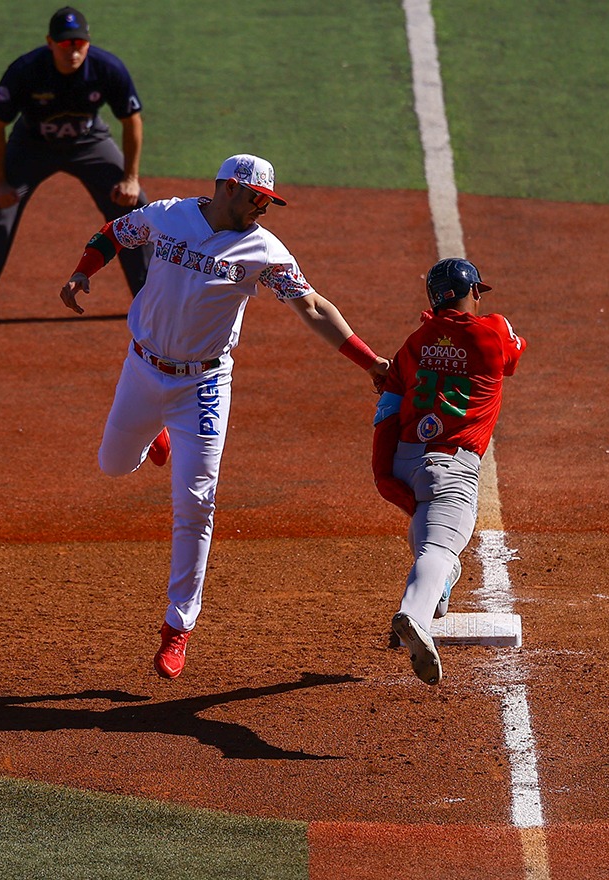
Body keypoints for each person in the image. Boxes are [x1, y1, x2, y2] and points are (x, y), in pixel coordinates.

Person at [60, 153, 389, 679]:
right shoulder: (168, 215)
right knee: (114, 465)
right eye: (259, 197)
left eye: (269, 201)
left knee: (196, 504)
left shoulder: (264, 249)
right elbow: (116, 232)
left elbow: (312, 306)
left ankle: (177, 627)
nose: (265, 208)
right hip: (143, 370)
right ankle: (156, 440)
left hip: (204, 385)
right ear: (228, 188)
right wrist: (81, 273)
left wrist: (369, 361)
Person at [371, 258, 526, 685]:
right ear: (472, 291)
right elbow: (512, 356)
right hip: (450, 465)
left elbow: (387, 408)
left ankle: (437, 595)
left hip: (406, 460)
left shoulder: (415, 341)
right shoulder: (491, 330)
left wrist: (382, 472)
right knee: (437, 550)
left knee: (434, 544)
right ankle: (415, 616)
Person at [0, 7, 149, 328]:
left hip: (89, 142)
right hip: (31, 145)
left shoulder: (106, 68)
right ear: (50, 43)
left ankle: (150, 300)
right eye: (64, 43)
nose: (72, 50)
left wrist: (130, 178)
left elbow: (132, 120)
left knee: (133, 207)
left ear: (88, 43)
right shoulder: (26, 70)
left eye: (79, 44)